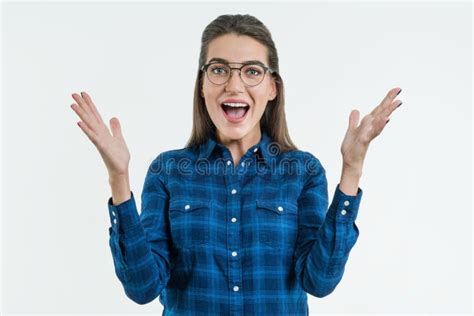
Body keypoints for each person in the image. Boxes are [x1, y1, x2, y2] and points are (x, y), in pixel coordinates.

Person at [70, 14, 402, 315]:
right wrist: (118, 177)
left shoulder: (303, 172)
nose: (234, 84)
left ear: (272, 87)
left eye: (252, 71)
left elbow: (319, 281)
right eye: (218, 69)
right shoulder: (167, 171)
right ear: (202, 85)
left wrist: (352, 169)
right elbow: (142, 288)